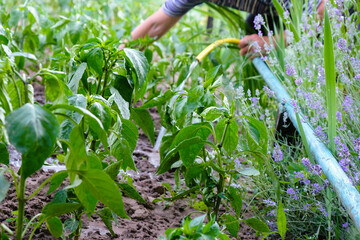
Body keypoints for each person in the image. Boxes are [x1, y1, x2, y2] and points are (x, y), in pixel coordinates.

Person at [131, 0, 326, 57]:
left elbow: (329, 9)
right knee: (255, 24)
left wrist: (274, 42)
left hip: (342, 14)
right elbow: (155, 25)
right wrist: (118, 58)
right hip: (284, 12)